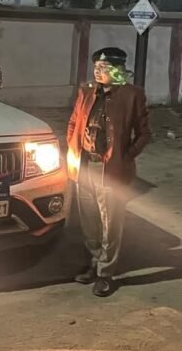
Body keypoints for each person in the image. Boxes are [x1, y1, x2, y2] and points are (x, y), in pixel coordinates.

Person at [66, 47, 152, 297]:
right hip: (84, 166)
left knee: (111, 224)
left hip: (111, 170)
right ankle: (94, 263)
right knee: (89, 221)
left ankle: (106, 273)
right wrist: (72, 145)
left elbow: (144, 133)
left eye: (103, 67)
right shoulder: (86, 91)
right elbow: (73, 122)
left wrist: (126, 156)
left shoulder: (132, 94)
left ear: (118, 70)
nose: (98, 71)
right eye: (96, 67)